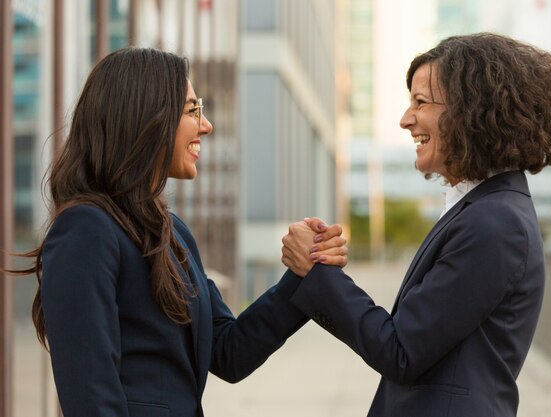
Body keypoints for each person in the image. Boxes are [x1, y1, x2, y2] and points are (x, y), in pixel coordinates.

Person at [8, 47, 347, 417]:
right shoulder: (86, 231)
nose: (206, 125)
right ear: (146, 119)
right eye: (192, 110)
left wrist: (303, 271)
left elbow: (230, 351)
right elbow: (91, 400)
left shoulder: (173, 234)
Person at [281, 33, 551, 417]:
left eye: (420, 102)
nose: (406, 120)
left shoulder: (495, 223)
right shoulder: (484, 209)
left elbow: (401, 350)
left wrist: (317, 273)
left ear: (472, 110)